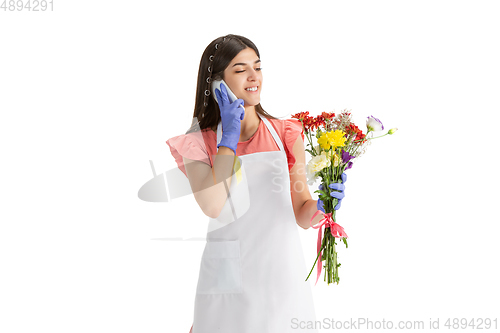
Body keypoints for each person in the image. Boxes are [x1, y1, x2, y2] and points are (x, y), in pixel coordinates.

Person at [166, 34, 346, 333]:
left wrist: (323, 205)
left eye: (258, 67)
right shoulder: (196, 143)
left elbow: (300, 212)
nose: (254, 77)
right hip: (225, 277)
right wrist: (228, 139)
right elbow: (212, 205)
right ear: (216, 83)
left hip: (280, 273)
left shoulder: (286, 133)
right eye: (240, 70)